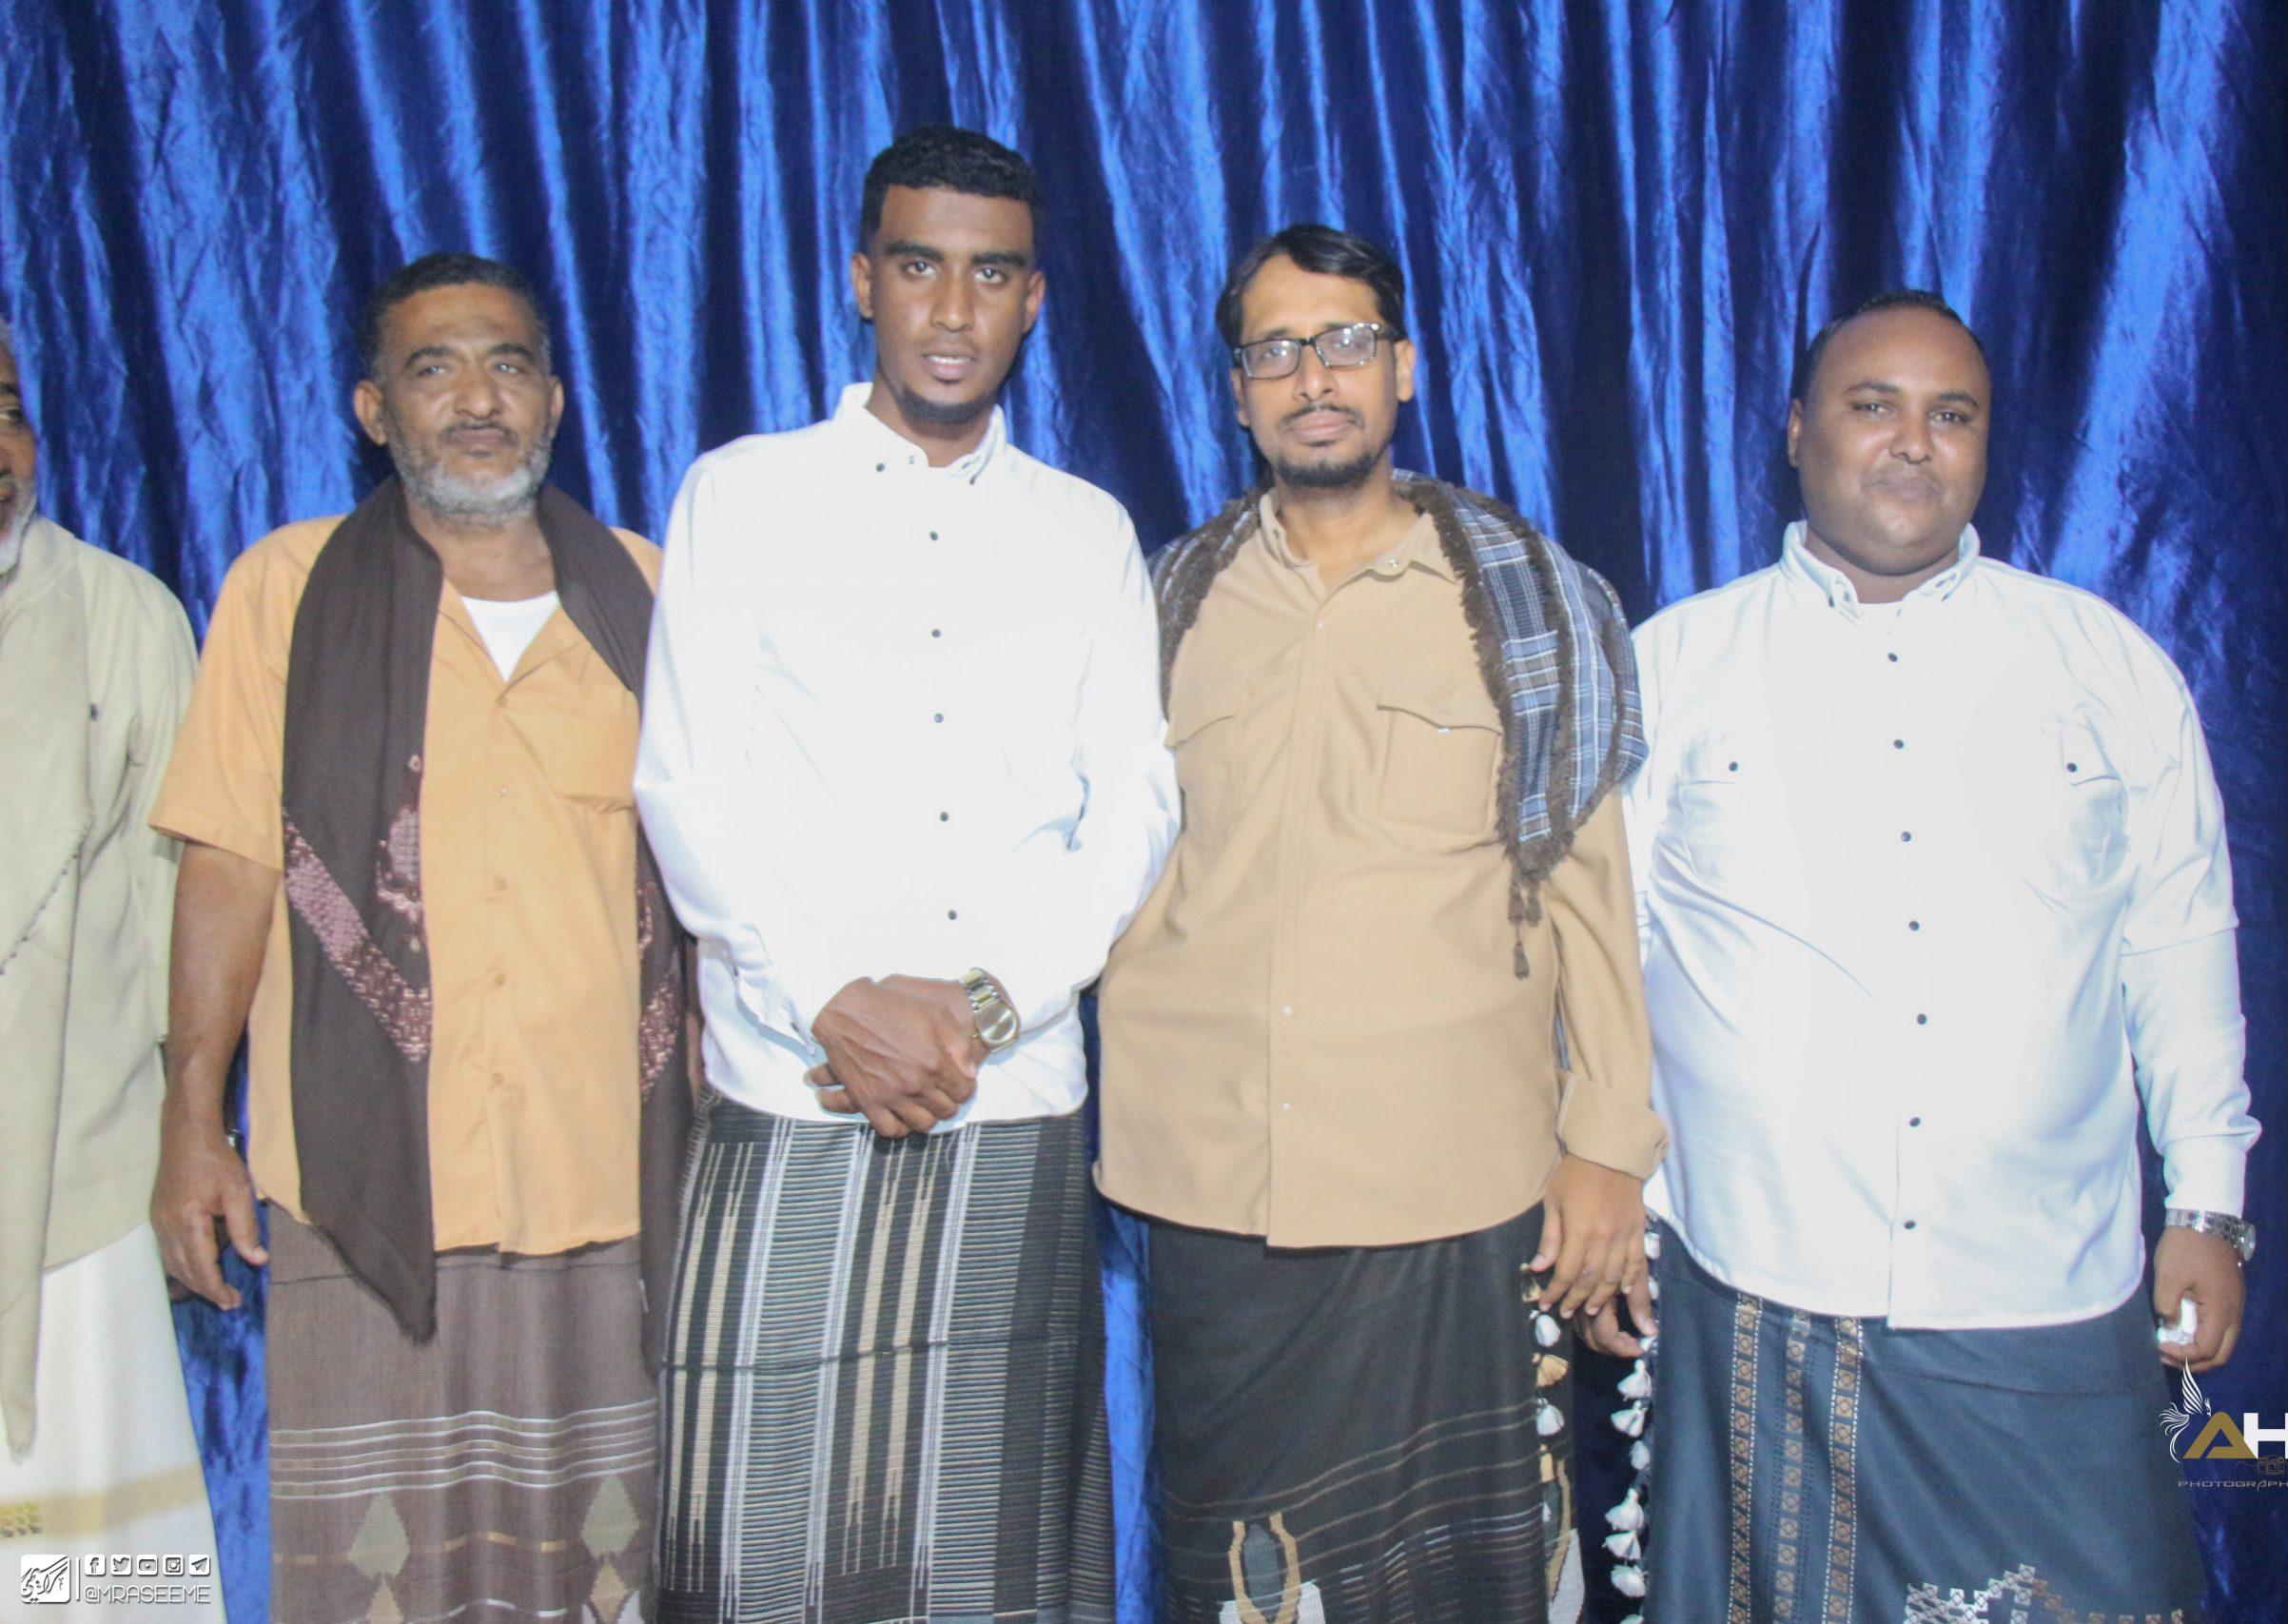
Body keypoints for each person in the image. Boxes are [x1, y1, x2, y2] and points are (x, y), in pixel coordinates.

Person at [1627, 289, 2256, 1623]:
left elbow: (2180, 943)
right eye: (1874, 406)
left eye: (1951, 414)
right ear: (1796, 431)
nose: (1913, 442)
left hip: (2048, 1289)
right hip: (1762, 1289)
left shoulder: (2104, 667)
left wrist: (2206, 1207)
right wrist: (1604, 1187)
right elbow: (1596, 961)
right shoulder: (1676, 668)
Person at [635, 126, 1175, 1623]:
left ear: (1034, 300)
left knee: (990, 1564)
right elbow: (686, 785)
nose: (952, 308)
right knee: (754, 1554)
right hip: (792, 1086)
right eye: (920, 265)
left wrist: (982, 1009)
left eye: (991, 274)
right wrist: (833, 1002)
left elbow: (1132, 812)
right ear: (863, 280)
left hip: (1009, 1096)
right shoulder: (743, 496)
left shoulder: (1086, 532)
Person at [1095, 224, 1664, 1624]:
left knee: (1464, 1583)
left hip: (1457, 1193)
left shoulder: (1529, 604)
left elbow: (1590, 892)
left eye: (1345, 341)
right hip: (1217, 1191)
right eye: (1276, 351)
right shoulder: (1160, 605)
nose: (1314, 378)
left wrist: (1607, 1147)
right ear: (1237, 392)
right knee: (1238, 1581)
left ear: (1403, 367)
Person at [149, 253, 686, 1623]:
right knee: (376, 1583)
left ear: (553, 399)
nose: (477, 399)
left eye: (508, 365)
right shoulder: (287, 593)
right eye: (433, 368)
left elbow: (721, 886)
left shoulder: (651, 595)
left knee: (609, 1571)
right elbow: (228, 865)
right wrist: (192, 1125)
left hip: (610, 1186)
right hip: (364, 1183)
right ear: (374, 409)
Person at [0, 311, 225, 1619]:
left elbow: (177, 914)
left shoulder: (119, 618)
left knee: (92, 1575)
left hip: (77, 1180)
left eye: (9, 408)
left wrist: (186, 1133)